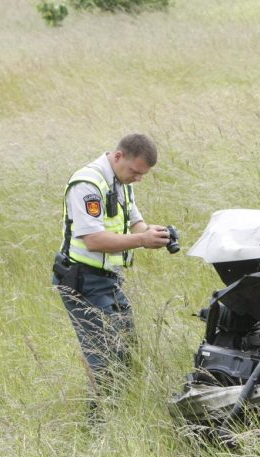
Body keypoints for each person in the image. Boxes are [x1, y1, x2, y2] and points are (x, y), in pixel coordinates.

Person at [52, 134, 171, 418]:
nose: (138, 179)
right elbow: (94, 240)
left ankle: (117, 414)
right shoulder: (88, 184)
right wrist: (142, 241)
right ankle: (99, 424)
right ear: (118, 157)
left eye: (143, 175)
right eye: (135, 171)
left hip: (109, 278)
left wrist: (158, 233)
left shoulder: (121, 181)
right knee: (103, 356)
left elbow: (136, 223)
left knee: (126, 347)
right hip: (82, 280)